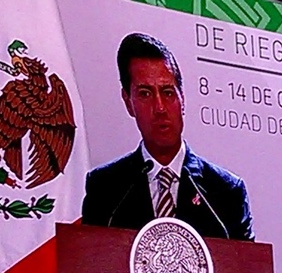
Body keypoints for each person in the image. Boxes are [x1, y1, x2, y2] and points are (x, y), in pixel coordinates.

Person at [81, 32, 254, 241]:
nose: (160, 108)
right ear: (128, 101)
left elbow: (245, 270)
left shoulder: (226, 192)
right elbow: (90, 266)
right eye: (145, 93)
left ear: (183, 98)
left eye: (167, 92)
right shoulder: (105, 189)